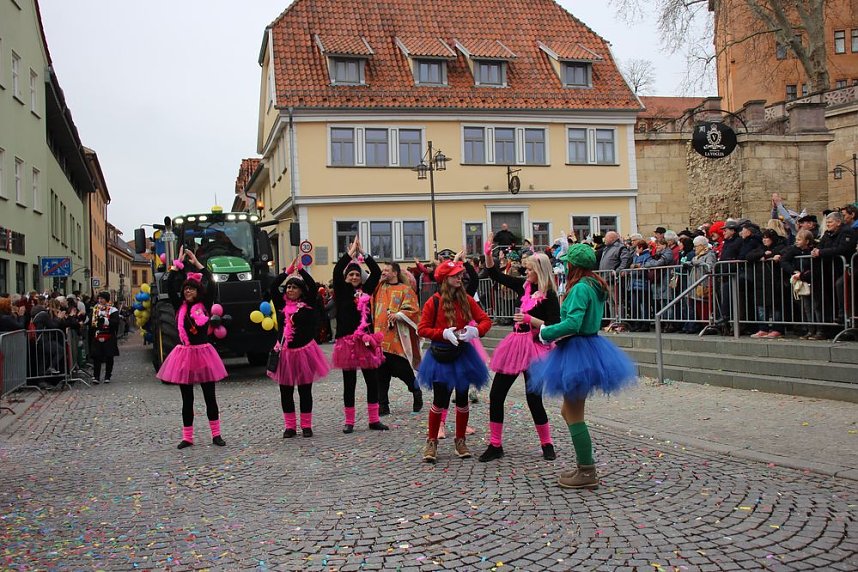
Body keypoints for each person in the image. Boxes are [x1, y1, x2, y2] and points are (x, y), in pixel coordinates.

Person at [527, 244, 637, 489]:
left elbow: (573, 323)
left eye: (567, 263)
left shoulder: (579, 288)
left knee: (574, 413)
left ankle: (586, 471)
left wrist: (545, 331)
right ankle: (584, 465)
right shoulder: (594, 286)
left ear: (573, 265)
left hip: (578, 350)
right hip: (587, 348)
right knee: (568, 411)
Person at [478, 235, 560, 463]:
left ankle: (547, 443)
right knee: (496, 395)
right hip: (515, 346)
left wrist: (529, 319)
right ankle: (495, 444)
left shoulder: (550, 296)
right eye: (525, 269)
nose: (526, 273)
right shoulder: (523, 286)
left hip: (536, 348)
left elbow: (555, 326)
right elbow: (496, 275)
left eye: (530, 270)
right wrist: (488, 256)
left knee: (534, 398)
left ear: (540, 271)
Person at [418, 260, 491, 463]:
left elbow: (486, 320)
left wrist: (476, 330)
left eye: (460, 275)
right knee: (439, 401)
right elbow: (422, 329)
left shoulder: (467, 299)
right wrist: (442, 333)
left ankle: (460, 440)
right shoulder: (433, 301)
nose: (460, 278)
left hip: (462, 355)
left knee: (462, 399)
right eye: (455, 275)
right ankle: (431, 441)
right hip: (440, 356)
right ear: (444, 279)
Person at [156, 246, 228, 449]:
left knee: (209, 397)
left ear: (198, 291)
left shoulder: (204, 304)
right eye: (186, 288)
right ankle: (187, 437)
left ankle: (216, 434)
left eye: (192, 288)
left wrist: (198, 265)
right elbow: (169, 286)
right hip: (185, 355)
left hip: (204, 354)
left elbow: (212, 286)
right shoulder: (179, 306)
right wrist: (176, 266)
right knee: (186, 400)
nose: (188, 291)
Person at [266, 258, 330, 438]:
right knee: (285, 391)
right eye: (288, 287)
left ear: (301, 291)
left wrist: (301, 271)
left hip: (304, 352)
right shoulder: (281, 306)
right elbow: (272, 288)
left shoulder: (308, 305)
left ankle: (306, 426)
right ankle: (290, 426)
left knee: (304, 390)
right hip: (285, 353)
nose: (290, 290)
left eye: (294, 287)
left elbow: (311, 285)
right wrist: (287, 272)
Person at [332, 236, 388, 433]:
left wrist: (363, 253)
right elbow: (337, 271)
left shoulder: (366, 291)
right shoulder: (342, 290)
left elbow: (377, 272)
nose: (354, 277)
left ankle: (374, 420)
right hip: (347, 341)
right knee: (350, 383)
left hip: (365, 341)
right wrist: (349, 254)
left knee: (372, 380)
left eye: (357, 275)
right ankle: (350, 421)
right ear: (346, 278)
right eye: (351, 275)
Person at [372, 261, 423, 415]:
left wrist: (398, 315)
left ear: (395, 273)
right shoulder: (379, 287)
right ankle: (383, 405)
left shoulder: (405, 290)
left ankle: (415, 391)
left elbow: (413, 309)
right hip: (380, 339)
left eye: (387, 270)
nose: (384, 272)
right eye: (383, 270)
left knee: (403, 371)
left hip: (396, 339)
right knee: (380, 374)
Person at [89, 291, 120, 384]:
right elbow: (91, 321)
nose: (100, 300)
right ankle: (96, 376)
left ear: (106, 300)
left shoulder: (113, 310)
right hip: (97, 335)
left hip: (109, 335)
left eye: (102, 298)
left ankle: (107, 376)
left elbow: (115, 322)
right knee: (96, 357)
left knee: (109, 356)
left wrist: (105, 320)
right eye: (99, 298)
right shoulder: (95, 309)